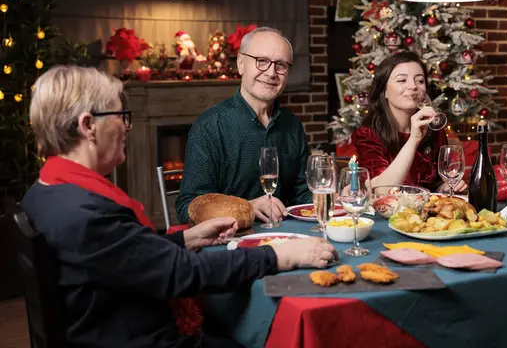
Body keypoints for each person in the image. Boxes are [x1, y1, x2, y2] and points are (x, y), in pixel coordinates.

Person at [21, 65, 337, 348]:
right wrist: (278, 255)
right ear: (88, 126)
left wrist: (187, 238)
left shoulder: (48, 192)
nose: (126, 128)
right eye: (120, 116)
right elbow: (182, 273)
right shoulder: (88, 213)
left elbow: (120, 255)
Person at [176, 27, 312, 225]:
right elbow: (187, 207)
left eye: (281, 65)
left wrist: (337, 199)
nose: (271, 73)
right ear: (241, 64)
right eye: (262, 61)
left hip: (285, 237)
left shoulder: (292, 126)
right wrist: (246, 207)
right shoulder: (209, 127)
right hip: (230, 245)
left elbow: (303, 196)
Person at [352, 52, 468, 193]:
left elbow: (434, 185)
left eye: (419, 81)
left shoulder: (434, 130)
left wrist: (445, 188)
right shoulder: (367, 134)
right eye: (402, 80)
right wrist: (413, 140)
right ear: (384, 91)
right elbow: (381, 191)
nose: (413, 86)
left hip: (424, 212)